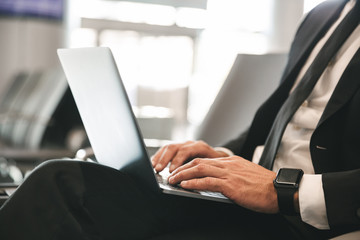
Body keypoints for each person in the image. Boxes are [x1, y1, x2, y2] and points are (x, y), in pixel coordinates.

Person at [1, 0, 360, 239]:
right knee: (63, 183)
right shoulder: (323, 15)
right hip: (252, 202)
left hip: (308, 218)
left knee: (62, 184)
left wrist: (289, 191)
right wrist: (218, 155)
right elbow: (276, 125)